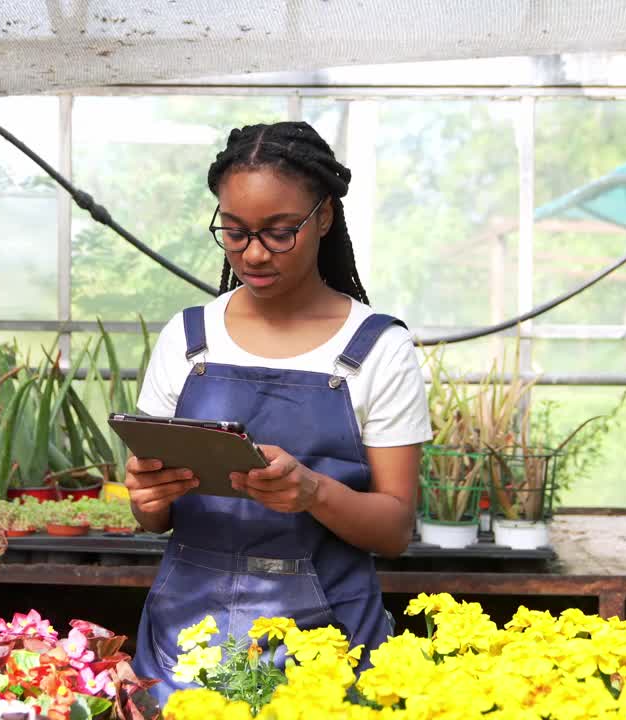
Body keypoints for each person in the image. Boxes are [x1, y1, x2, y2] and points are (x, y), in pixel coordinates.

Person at [126, 121, 432, 702]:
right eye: (235, 233)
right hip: (186, 644)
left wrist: (312, 492)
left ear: (323, 217)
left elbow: (394, 530)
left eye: (279, 232)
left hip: (328, 650)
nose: (254, 253)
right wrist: (148, 497)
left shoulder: (377, 349)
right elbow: (155, 520)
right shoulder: (188, 340)